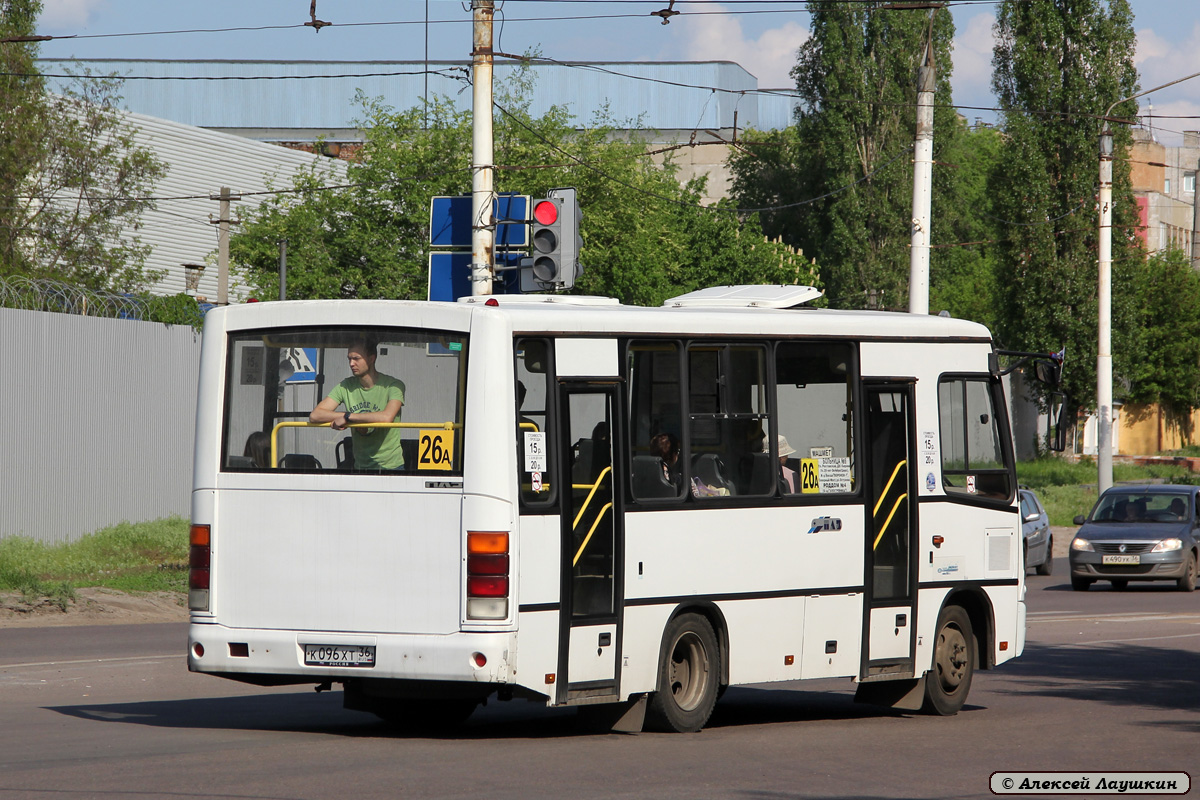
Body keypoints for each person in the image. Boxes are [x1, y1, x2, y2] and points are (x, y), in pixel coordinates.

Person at [309, 339, 406, 470]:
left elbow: (387, 417)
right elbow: (315, 415)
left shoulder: (393, 385)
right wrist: (346, 416)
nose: (351, 363)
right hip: (359, 468)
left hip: (391, 468)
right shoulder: (346, 386)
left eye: (356, 358)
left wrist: (349, 417)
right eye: (349, 359)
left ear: (372, 359)